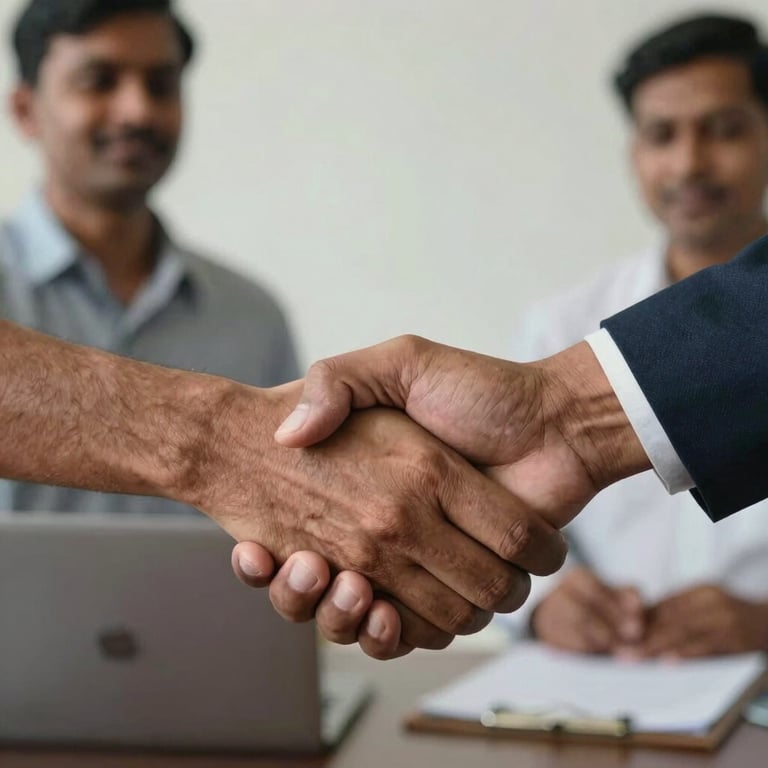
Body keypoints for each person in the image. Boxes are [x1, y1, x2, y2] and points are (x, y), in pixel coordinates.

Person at [499, 13, 768, 658]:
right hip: (601, 686)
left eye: (724, 130)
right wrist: (546, 602)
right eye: (661, 135)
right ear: (634, 153)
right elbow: (500, 508)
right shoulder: (561, 326)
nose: (689, 163)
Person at [0, 0, 299, 514]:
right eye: (99, 81)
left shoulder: (252, 316)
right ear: (26, 111)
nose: (138, 111)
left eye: (161, 85)